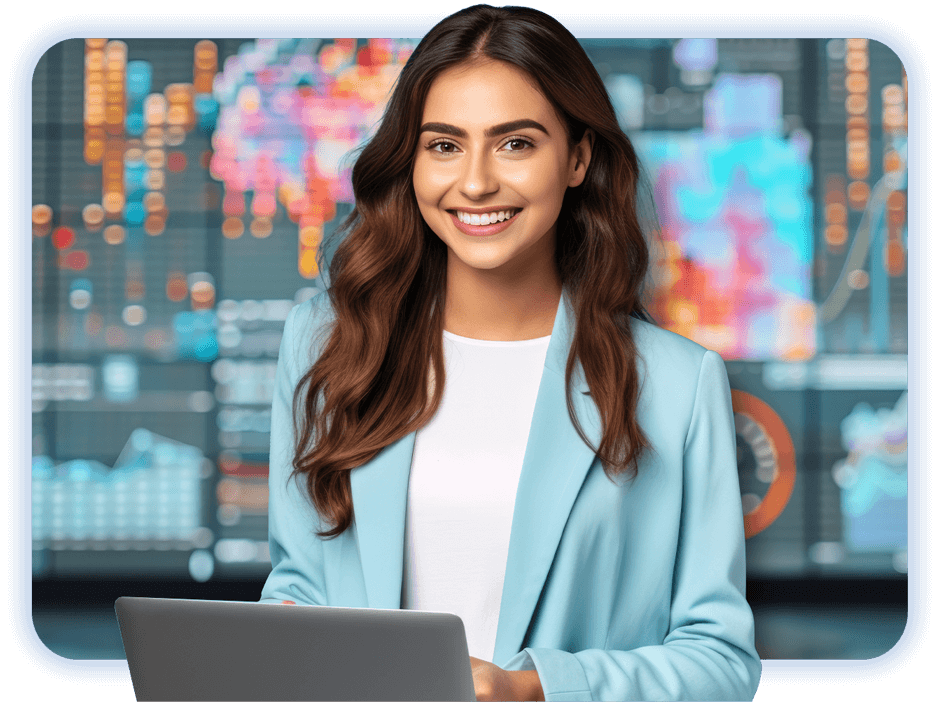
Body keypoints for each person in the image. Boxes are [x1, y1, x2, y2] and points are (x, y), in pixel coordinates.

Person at [260, 6, 761, 700]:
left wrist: (535, 688)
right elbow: (297, 588)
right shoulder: (325, 346)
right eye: (443, 145)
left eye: (514, 144)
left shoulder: (675, 384)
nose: (474, 183)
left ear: (577, 157)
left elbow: (720, 664)